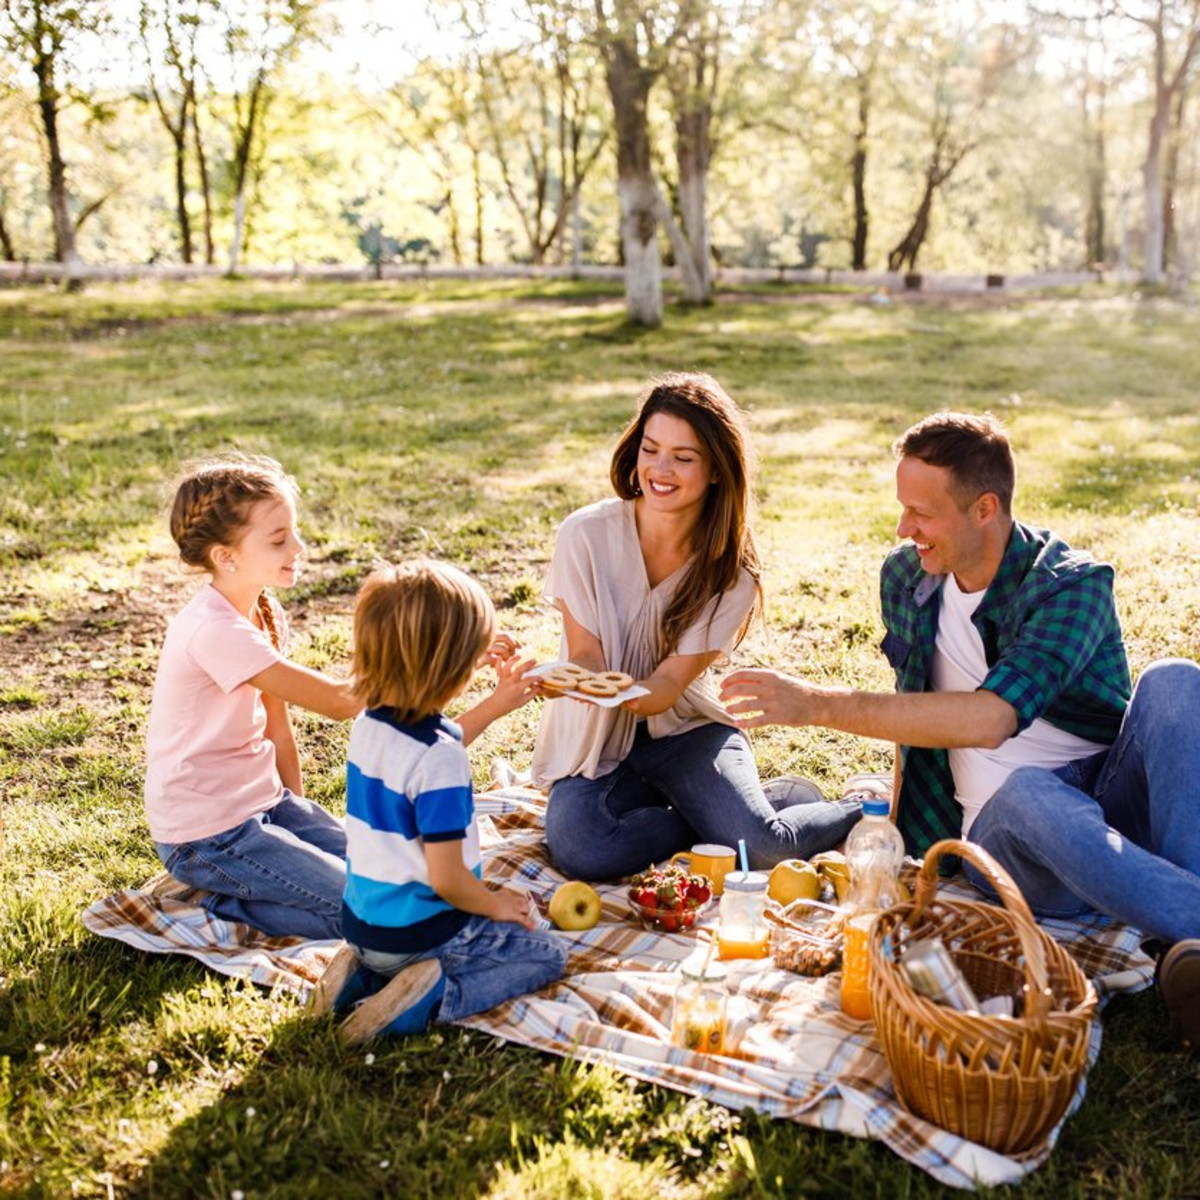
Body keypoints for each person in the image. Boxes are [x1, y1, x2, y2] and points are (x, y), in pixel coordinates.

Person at [720, 411, 1200, 1049]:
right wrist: (890, 836)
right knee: (1028, 791)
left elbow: (991, 719)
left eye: (921, 512)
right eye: (902, 509)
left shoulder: (1070, 586)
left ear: (984, 508)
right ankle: (1187, 923)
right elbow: (911, 709)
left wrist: (815, 703)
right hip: (1008, 844)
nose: (902, 528)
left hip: (1108, 809)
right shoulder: (906, 578)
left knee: (1174, 680)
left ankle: (1185, 944)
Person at [530, 372, 861, 879]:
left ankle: (861, 804)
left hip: (685, 731)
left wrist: (623, 693)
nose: (661, 469)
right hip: (596, 741)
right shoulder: (585, 534)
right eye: (651, 449)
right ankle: (715, 820)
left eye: (683, 457)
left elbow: (665, 688)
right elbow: (586, 653)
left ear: (715, 471)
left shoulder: (732, 574)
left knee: (765, 850)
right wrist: (577, 683)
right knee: (582, 850)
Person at [313, 559, 567, 1042]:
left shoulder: (371, 724)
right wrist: (495, 904)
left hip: (365, 928)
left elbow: (437, 743)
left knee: (390, 952)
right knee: (546, 955)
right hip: (423, 934)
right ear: (451, 665)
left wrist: (495, 698)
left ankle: (360, 976)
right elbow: (449, 880)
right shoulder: (441, 760)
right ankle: (429, 998)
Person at [145, 455, 363, 941]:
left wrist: (296, 819)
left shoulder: (263, 612)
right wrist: (439, 652)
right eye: (279, 539)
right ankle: (220, 902)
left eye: (295, 532)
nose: (299, 547)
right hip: (208, 836)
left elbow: (276, 727)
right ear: (226, 556)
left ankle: (259, 881)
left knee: (388, 878)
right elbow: (340, 702)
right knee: (364, 915)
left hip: (263, 806)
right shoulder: (214, 630)